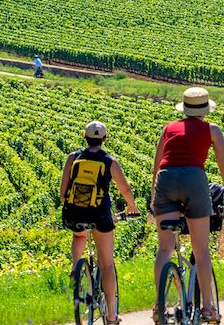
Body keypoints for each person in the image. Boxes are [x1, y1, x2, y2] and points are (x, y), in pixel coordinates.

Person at [152, 87, 224, 324]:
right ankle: (208, 308)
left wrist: (153, 197)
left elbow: (157, 165)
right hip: (194, 180)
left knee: (165, 249)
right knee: (201, 250)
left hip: (165, 181)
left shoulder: (168, 128)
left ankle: (159, 306)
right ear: (205, 109)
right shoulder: (212, 130)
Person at [60, 121, 140, 325]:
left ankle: (76, 267)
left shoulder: (73, 157)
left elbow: (62, 193)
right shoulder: (109, 161)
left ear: (84, 137)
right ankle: (112, 316)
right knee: (106, 264)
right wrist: (132, 206)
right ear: (104, 139)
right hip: (100, 214)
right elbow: (124, 189)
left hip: (74, 214)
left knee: (78, 234)